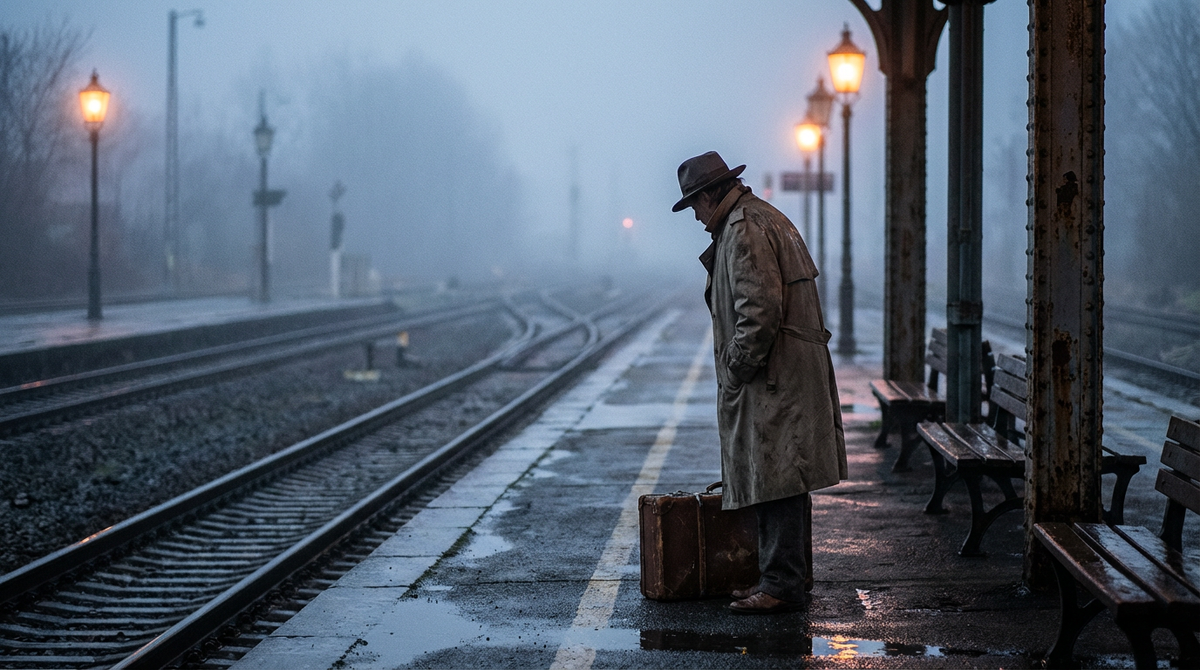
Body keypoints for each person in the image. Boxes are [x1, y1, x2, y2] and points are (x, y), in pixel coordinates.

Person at [672, 151, 847, 614]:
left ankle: (781, 584)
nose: (695, 215)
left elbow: (758, 312)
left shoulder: (743, 228)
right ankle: (786, 577)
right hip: (784, 370)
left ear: (711, 194)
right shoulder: (759, 218)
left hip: (773, 376)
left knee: (777, 477)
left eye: (694, 204)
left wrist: (734, 366)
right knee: (781, 476)